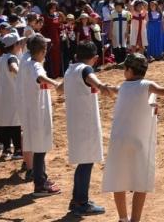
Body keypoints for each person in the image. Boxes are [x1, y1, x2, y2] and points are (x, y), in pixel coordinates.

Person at [101, 54, 164, 222]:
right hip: (139, 142)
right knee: (141, 181)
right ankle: (135, 219)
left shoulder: (123, 87)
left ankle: (123, 218)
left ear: (129, 70)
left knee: (118, 180)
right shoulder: (147, 85)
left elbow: (113, 90)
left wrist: (104, 86)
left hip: (119, 140)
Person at [64, 41, 117, 215]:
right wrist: (102, 87)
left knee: (84, 162)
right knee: (86, 162)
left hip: (75, 121)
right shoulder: (85, 70)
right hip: (85, 123)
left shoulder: (70, 69)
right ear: (94, 58)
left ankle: (77, 199)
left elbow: (60, 88)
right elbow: (92, 78)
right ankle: (81, 202)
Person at [21, 33, 63, 196]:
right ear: (42, 50)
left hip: (33, 109)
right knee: (40, 148)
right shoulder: (35, 65)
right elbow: (39, 76)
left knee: (39, 147)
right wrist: (55, 83)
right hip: (38, 111)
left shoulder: (26, 60)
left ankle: (42, 178)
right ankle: (40, 184)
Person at [0, 32, 24, 160]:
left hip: (3, 95)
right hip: (12, 95)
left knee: (5, 123)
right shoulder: (12, 58)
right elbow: (13, 67)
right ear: (15, 45)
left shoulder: (2, 58)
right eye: (19, 43)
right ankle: (17, 150)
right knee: (15, 123)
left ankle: (6, 149)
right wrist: (22, 74)